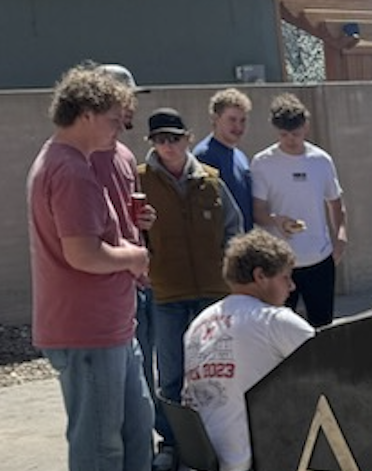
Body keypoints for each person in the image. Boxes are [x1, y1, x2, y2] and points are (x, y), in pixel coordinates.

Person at [27, 63, 184, 471]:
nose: (124, 126)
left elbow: (103, 234)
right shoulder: (70, 169)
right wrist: (137, 255)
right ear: (89, 113)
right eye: (117, 117)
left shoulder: (84, 159)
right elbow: (83, 254)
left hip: (111, 320)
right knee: (98, 438)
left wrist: (132, 236)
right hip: (84, 326)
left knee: (133, 422)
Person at [180, 229, 316, 471]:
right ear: (259, 276)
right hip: (250, 467)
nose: (291, 287)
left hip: (204, 464)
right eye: (286, 278)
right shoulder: (273, 320)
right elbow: (334, 368)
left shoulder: (198, 323)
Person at [91, 63, 173, 471]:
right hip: (109, 296)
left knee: (144, 393)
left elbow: (127, 219)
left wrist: (144, 221)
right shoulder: (83, 157)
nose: (131, 107)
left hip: (140, 285)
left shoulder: (124, 157)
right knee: (118, 408)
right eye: (126, 98)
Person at [137, 107, 243, 433]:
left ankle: (217, 434)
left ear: (188, 139)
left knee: (215, 371)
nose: (167, 146)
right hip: (166, 293)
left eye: (174, 138)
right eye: (160, 140)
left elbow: (233, 228)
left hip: (212, 293)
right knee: (170, 376)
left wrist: (229, 269)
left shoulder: (210, 181)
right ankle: (172, 442)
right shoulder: (140, 181)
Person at [250, 93, 347, 328]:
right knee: (279, 329)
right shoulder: (263, 163)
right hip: (280, 262)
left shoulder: (321, 160)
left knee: (322, 327)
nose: (291, 140)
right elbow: (258, 210)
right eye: (284, 135)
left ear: (306, 127)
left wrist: (341, 238)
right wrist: (277, 220)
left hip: (319, 258)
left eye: (296, 133)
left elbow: (335, 202)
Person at [193, 87, 256, 231]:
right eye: (232, 120)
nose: (238, 126)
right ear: (215, 119)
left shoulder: (240, 156)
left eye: (243, 120)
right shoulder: (205, 155)